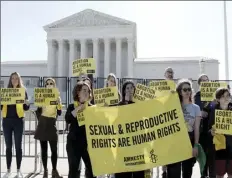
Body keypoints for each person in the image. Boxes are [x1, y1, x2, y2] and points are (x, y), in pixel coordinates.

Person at [167, 79, 202, 178]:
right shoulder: (174, 106)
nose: (187, 92)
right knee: (174, 172)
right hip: (175, 141)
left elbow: (196, 128)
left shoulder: (196, 108)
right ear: (180, 92)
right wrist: (170, 96)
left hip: (189, 141)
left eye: (189, 89)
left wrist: (195, 145)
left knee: (187, 172)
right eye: (184, 90)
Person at [1, 72, 30, 178]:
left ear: (19, 80)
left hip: (18, 121)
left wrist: (27, 103)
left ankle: (18, 170)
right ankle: (8, 170)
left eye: (16, 78)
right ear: (10, 80)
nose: (14, 80)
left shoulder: (23, 91)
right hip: (7, 121)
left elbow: (26, 108)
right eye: (12, 78)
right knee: (8, 146)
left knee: (18, 146)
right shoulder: (5, 92)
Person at [114, 80, 145, 178]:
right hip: (124, 145)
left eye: (132, 88)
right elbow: (119, 121)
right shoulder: (119, 104)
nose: (129, 90)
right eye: (127, 88)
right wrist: (126, 102)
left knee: (138, 174)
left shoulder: (140, 105)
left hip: (137, 145)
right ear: (123, 91)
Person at [65, 81, 96, 178]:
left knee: (92, 170)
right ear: (78, 93)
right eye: (84, 90)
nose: (86, 92)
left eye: (88, 91)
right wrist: (79, 108)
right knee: (74, 171)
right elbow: (68, 119)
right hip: (73, 143)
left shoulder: (92, 108)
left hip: (88, 144)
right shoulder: (72, 106)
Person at [34, 78, 63, 178]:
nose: (49, 85)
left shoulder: (57, 96)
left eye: (51, 83)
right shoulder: (41, 95)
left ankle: (54, 170)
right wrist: (40, 116)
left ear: (54, 85)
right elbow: (37, 111)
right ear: (45, 85)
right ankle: (45, 171)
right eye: (47, 83)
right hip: (43, 123)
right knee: (44, 149)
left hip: (51, 123)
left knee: (54, 150)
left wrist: (59, 103)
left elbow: (59, 113)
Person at [194, 74, 216, 178]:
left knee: (211, 155)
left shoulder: (214, 96)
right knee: (203, 155)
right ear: (199, 83)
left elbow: (216, 108)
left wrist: (213, 103)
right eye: (203, 81)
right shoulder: (196, 96)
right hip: (201, 129)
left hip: (212, 129)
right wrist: (200, 112)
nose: (205, 82)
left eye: (207, 80)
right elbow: (195, 109)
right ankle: (203, 174)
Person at [208, 88, 232, 178]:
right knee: (219, 174)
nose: (226, 98)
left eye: (228, 95)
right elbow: (209, 129)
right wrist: (211, 132)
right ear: (218, 99)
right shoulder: (214, 111)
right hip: (220, 147)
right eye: (223, 96)